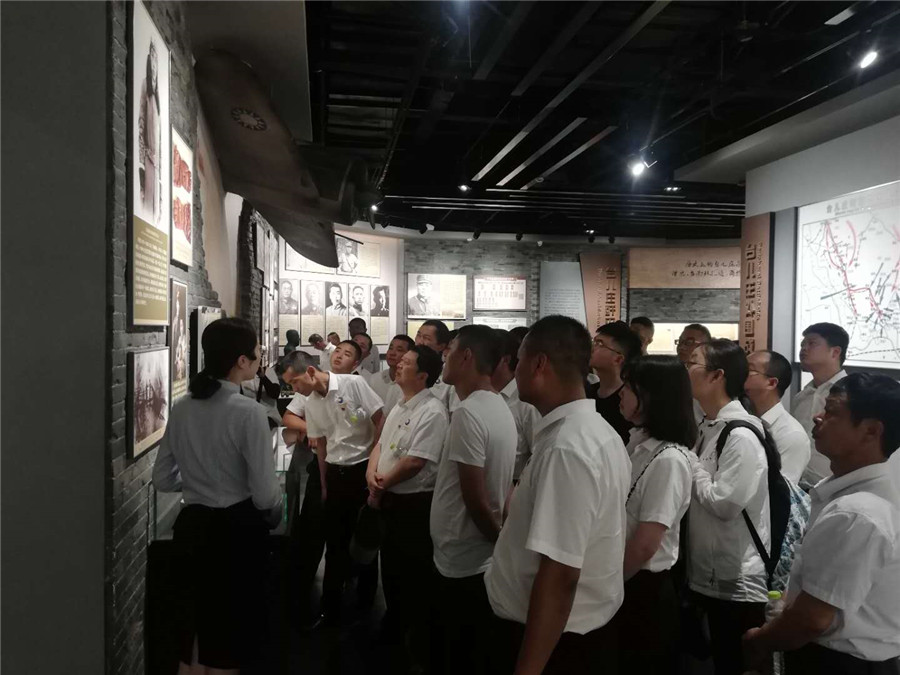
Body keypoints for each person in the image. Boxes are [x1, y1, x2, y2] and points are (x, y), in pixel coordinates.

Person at [484, 315, 631, 675]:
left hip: (556, 643)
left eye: (519, 360)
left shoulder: (567, 447)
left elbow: (561, 574)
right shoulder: (592, 431)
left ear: (539, 364)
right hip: (566, 633)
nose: (514, 370)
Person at [742, 373, 900, 675]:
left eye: (832, 412)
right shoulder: (842, 494)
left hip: (842, 664)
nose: (818, 417)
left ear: (870, 431)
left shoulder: (857, 513)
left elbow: (812, 619)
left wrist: (759, 640)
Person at [152, 318, 282, 673]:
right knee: (229, 636)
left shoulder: (183, 406)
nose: (259, 358)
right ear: (241, 360)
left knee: (191, 632)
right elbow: (265, 495)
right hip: (236, 532)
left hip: (191, 529)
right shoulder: (249, 412)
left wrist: (198, 482)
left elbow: (162, 477)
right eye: (256, 353)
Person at [429, 325, 517, 673]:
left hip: (463, 554)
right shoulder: (497, 406)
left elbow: (475, 496)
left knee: (457, 650)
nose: (444, 357)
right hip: (475, 552)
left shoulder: (469, 412)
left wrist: (498, 538)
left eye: (449, 350)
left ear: (466, 356)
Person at [687, 338, 771, 675]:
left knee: (733, 664)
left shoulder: (741, 435)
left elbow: (725, 504)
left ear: (716, 375)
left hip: (736, 581)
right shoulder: (709, 425)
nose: (686, 369)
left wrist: (690, 463)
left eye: (693, 362)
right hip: (709, 575)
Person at [285, 341, 385, 625]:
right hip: (335, 472)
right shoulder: (312, 402)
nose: (295, 389)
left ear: (310, 372)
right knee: (335, 542)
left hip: (362, 469)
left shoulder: (354, 384)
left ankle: (365, 607)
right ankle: (330, 609)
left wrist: (375, 461)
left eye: (295, 382)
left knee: (364, 540)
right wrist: (325, 483)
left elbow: (380, 419)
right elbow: (321, 445)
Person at [366, 345, 449, 671]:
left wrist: (382, 483)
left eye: (407, 362)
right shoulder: (400, 404)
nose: (399, 364)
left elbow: (416, 461)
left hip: (413, 505)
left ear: (423, 375)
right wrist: (372, 474)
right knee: (391, 568)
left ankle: (411, 642)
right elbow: (380, 445)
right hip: (390, 498)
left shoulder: (432, 411)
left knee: (412, 574)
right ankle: (394, 627)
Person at [615, 356, 697, 673]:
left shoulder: (669, 459)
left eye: (629, 386)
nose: (621, 392)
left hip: (643, 585)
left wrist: (607, 584)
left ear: (652, 396)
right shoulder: (639, 444)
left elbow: (647, 543)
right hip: (628, 577)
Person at [792, 322, 849, 485]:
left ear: (835, 352)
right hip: (799, 487)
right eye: (802, 344)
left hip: (838, 487)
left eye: (812, 343)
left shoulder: (851, 395)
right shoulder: (801, 397)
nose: (803, 349)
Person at [745, 350, 811, 484]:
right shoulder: (742, 417)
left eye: (749, 370)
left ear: (771, 383)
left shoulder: (792, 435)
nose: (740, 375)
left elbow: (779, 491)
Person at [491, 328, 540, 481]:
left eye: (486, 356)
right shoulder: (482, 394)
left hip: (515, 483)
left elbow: (538, 454)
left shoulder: (526, 402)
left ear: (505, 360)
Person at [585, 321, 642, 446]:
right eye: (594, 341)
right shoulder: (586, 392)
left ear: (618, 359)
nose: (592, 347)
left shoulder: (629, 401)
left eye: (600, 344)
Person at [138, 40, 161, 225]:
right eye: (152, 57)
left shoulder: (158, 92)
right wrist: (144, 153)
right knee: (148, 202)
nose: (154, 63)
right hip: (149, 157)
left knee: (156, 208)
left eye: (156, 59)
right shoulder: (146, 86)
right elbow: (141, 120)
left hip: (157, 160)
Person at [364, 335, 414, 417]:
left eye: (399, 350)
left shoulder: (411, 384)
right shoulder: (374, 379)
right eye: (390, 348)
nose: (392, 353)